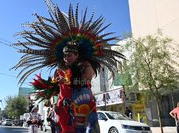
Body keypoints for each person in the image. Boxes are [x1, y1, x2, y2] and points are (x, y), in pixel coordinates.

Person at [13, 1, 125, 132]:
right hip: (66, 109)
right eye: (65, 56)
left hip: (84, 105)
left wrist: (68, 81)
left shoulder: (86, 65)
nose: (66, 58)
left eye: (69, 55)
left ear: (77, 55)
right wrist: (50, 89)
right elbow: (56, 88)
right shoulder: (60, 70)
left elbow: (86, 80)